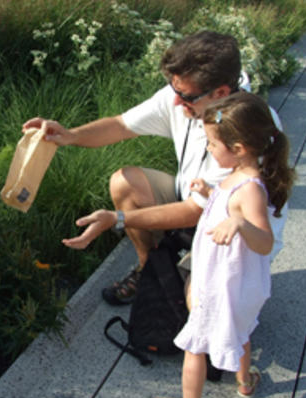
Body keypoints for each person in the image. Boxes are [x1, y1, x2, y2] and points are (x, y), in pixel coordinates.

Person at [22, 31, 286, 306]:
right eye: (174, 90)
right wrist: (70, 135)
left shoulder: (247, 131)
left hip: (236, 235)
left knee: (198, 308)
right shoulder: (188, 96)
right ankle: (151, 272)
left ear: (220, 93)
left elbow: (195, 212)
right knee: (124, 182)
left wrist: (117, 219)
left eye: (185, 96)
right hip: (198, 202)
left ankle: (200, 293)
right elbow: (121, 125)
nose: (175, 102)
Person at [149, 92, 295, 398]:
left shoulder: (250, 191)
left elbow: (265, 243)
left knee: (194, 346)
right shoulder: (240, 178)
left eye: (213, 145)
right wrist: (208, 194)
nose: (209, 150)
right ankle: (244, 381)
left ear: (239, 149)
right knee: (240, 331)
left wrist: (241, 223)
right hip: (234, 285)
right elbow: (228, 202)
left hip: (221, 285)